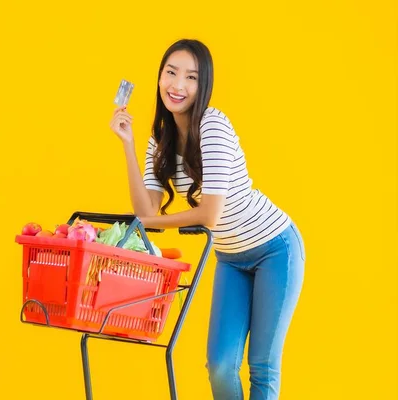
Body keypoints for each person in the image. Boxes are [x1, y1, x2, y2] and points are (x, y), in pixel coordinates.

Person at [109, 38, 305, 400]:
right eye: (170, 73)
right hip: (231, 258)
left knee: (261, 365)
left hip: (275, 249)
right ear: (159, 77)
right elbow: (146, 212)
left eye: (191, 77)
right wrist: (128, 144)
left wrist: (146, 224)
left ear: (203, 86)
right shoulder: (161, 138)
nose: (177, 85)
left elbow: (209, 214)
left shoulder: (213, 125)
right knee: (218, 365)